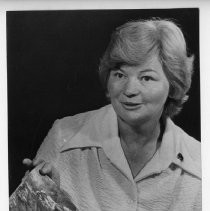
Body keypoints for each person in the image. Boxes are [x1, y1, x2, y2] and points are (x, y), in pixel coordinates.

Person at [23, 18, 201, 211]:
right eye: (120, 75)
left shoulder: (201, 163)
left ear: (174, 86)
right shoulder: (63, 136)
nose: (129, 89)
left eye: (146, 77)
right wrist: (45, 202)